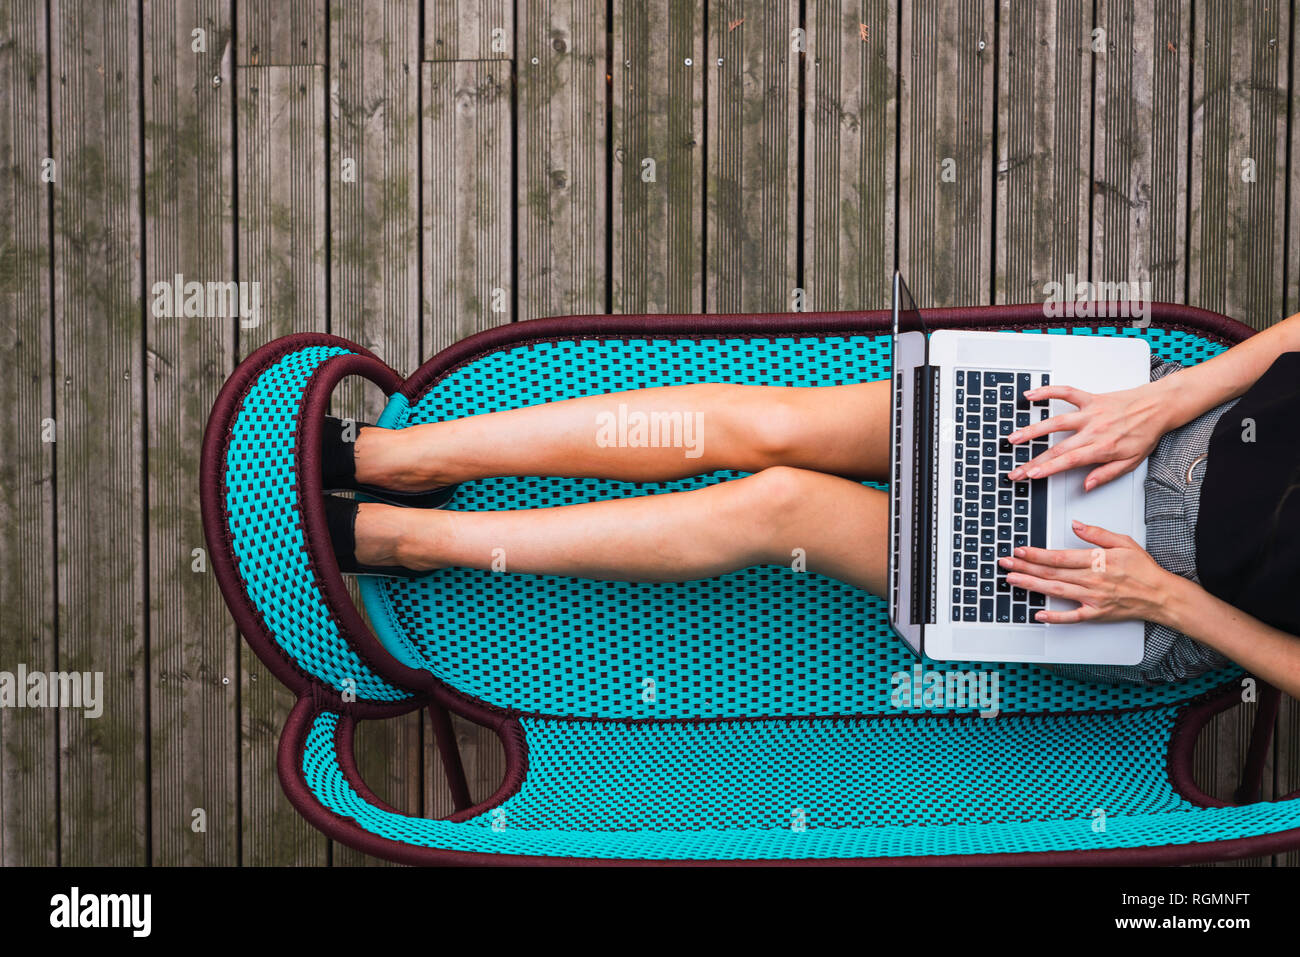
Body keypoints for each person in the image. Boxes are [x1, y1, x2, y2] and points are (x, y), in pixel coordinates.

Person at [322, 315, 1300, 698]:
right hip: (1157, 417)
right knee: (780, 427)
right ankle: (407, 455)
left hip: (1150, 586)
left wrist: (1161, 601)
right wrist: (1165, 397)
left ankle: (418, 538)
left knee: (783, 507)